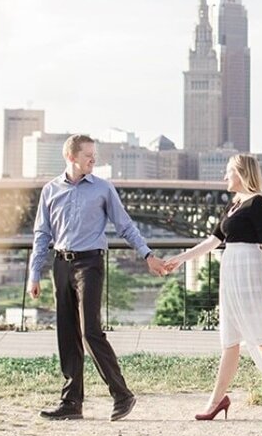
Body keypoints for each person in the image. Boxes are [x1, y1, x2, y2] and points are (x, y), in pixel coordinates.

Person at [28, 133, 167, 421]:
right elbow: (42, 234)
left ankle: (122, 394)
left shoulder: (103, 189)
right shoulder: (50, 190)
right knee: (67, 334)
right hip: (61, 264)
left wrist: (147, 255)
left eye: (94, 154)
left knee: (90, 331)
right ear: (71, 156)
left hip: (90, 264)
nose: (94, 159)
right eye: (88, 154)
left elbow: (125, 226)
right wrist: (34, 273)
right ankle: (71, 403)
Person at [163, 153, 262, 420]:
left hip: (249, 270)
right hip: (231, 271)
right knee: (230, 339)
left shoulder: (258, 203)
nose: (225, 177)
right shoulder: (234, 204)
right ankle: (221, 400)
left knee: (261, 335)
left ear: (242, 173)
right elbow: (213, 241)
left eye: (229, 171)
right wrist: (180, 259)